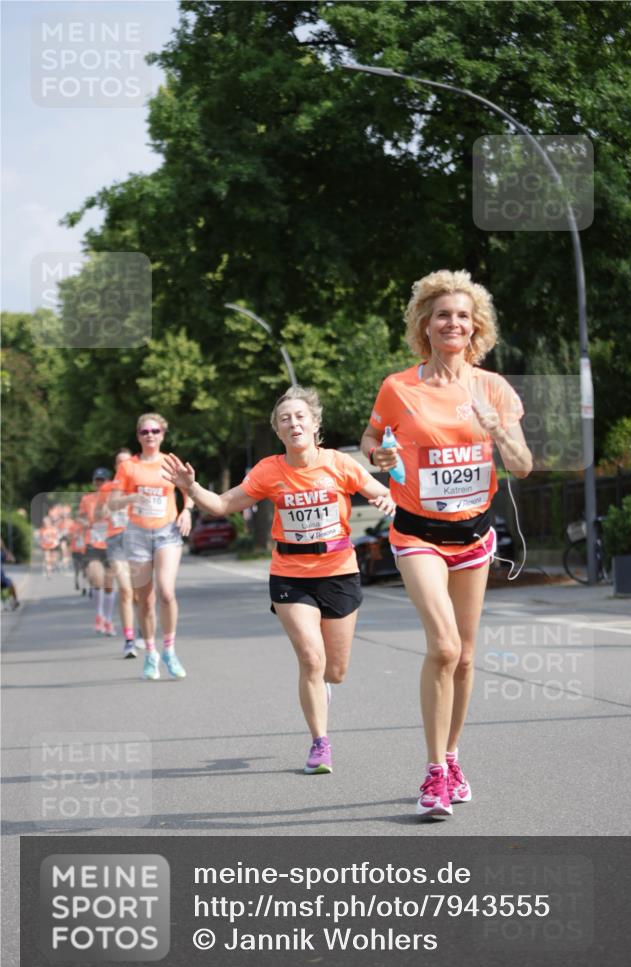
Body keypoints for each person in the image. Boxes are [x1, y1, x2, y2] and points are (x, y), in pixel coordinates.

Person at [360, 269, 532, 819]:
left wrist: (498, 431)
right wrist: (378, 455)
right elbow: (372, 437)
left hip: (474, 536)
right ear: (425, 326)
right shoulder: (398, 387)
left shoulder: (494, 389)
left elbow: (524, 467)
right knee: (445, 647)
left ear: (475, 326)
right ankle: (434, 773)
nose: (453, 322)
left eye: (462, 315)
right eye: (442, 315)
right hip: (417, 533)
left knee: (466, 657)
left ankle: (454, 755)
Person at [162, 385, 395, 774]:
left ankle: (322, 689)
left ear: (315, 423)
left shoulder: (338, 463)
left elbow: (377, 489)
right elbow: (221, 505)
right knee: (310, 657)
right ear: (278, 431)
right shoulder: (269, 470)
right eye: (285, 419)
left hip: (338, 572)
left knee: (334, 671)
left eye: (300, 416)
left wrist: (385, 499)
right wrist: (191, 487)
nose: (294, 423)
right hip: (290, 575)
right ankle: (320, 743)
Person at [109, 413, 194, 680]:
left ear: (162, 434)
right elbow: (112, 502)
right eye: (145, 431)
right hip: (137, 535)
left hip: (167, 532)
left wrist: (187, 511)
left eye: (155, 431)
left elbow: (188, 490)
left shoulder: (170, 462)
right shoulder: (128, 467)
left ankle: (169, 649)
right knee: (145, 600)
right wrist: (133, 496)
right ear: (138, 435)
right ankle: (150, 653)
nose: (150, 435)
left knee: (166, 593)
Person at [96, 448, 138, 658]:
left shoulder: (138, 485)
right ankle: (129, 640)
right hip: (115, 540)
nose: (123, 465)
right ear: (115, 467)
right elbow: (98, 514)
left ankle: (142, 632)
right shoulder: (107, 488)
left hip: (137, 539)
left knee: (139, 593)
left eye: (126, 462)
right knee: (125, 590)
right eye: (119, 463)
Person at [78, 469, 116, 635]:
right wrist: (85, 522)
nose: (100, 483)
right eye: (97, 480)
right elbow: (79, 517)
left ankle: (108, 619)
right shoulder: (87, 499)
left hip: (112, 544)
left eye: (103, 480)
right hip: (93, 544)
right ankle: (99, 616)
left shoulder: (115, 500)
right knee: (96, 580)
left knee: (109, 585)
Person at [1, 539, 20, 609]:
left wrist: (3, 548)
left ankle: (12, 601)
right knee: (11, 585)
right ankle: (14, 601)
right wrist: (3, 547)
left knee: (10, 584)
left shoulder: (1, 553)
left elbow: (12, 559)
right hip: (1, 579)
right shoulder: (1, 552)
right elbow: (12, 559)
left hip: (2, 579)